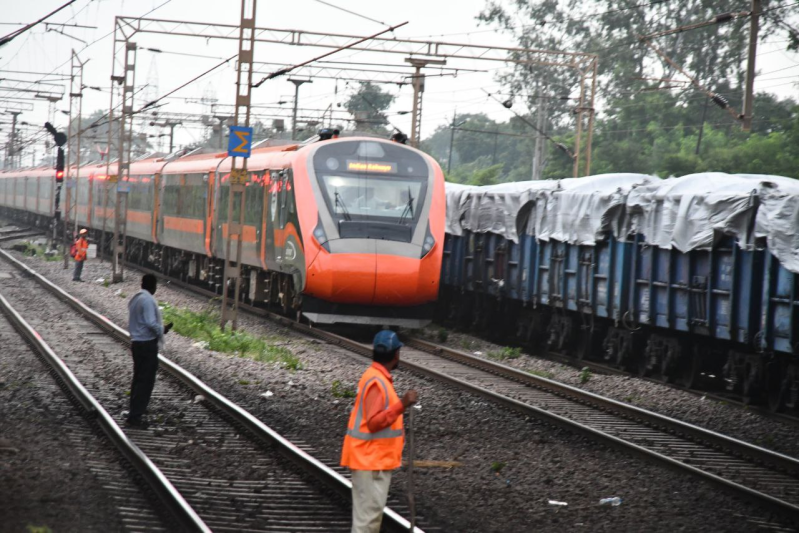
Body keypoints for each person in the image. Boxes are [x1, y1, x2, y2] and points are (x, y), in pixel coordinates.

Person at [341, 330, 418, 533]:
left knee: (369, 520)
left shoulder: (377, 378)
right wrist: (401, 404)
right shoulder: (376, 381)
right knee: (366, 523)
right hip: (370, 462)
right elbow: (374, 423)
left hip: (373, 461)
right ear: (396, 354)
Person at [126, 274, 173, 428]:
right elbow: (150, 323)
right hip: (146, 345)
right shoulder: (147, 300)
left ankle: (133, 412)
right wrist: (163, 329)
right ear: (153, 287)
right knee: (146, 382)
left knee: (138, 379)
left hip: (137, 343)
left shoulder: (136, 299)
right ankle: (136, 417)